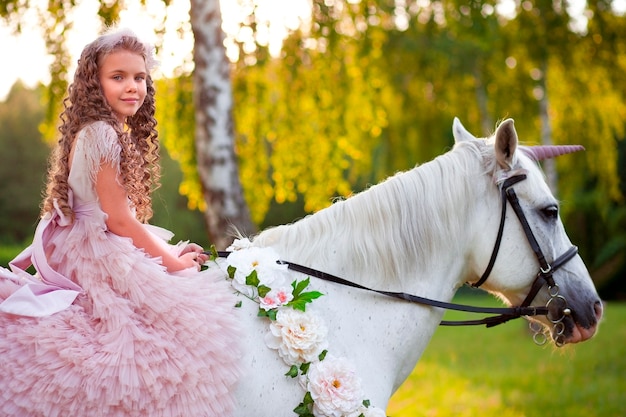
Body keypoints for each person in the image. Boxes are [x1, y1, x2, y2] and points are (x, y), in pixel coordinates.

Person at [0, 27, 241, 416]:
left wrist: (166, 252)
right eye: (118, 77)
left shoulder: (98, 130)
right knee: (165, 337)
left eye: (140, 77)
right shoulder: (103, 135)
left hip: (87, 241)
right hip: (97, 252)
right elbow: (119, 221)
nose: (133, 87)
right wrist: (172, 261)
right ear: (94, 83)